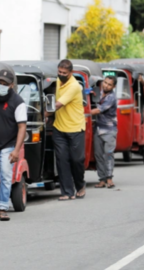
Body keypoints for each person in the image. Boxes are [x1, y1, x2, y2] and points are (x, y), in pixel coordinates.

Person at [0, 69, 27, 221]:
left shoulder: (18, 102)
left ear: (11, 85)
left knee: (6, 176)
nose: (1, 86)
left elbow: (22, 127)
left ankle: (3, 207)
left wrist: (16, 150)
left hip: (8, 144)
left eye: (5, 84)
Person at [49, 59, 86, 201]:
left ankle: (80, 185)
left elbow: (57, 105)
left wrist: (43, 113)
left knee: (77, 160)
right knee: (62, 160)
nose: (61, 74)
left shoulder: (74, 86)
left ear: (71, 73)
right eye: (59, 72)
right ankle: (67, 192)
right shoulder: (58, 81)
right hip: (59, 128)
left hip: (75, 128)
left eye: (64, 73)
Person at [91, 76, 118, 189]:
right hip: (98, 129)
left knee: (108, 154)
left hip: (109, 130)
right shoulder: (99, 92)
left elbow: (98, 110)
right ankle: (102, 180)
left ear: (113, 86)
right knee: (98, 155)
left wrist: (80, 113)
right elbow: (88, 93)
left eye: (109, 84)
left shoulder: (111, 97)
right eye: (105, 83)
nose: (106, 85)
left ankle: (109, 179)